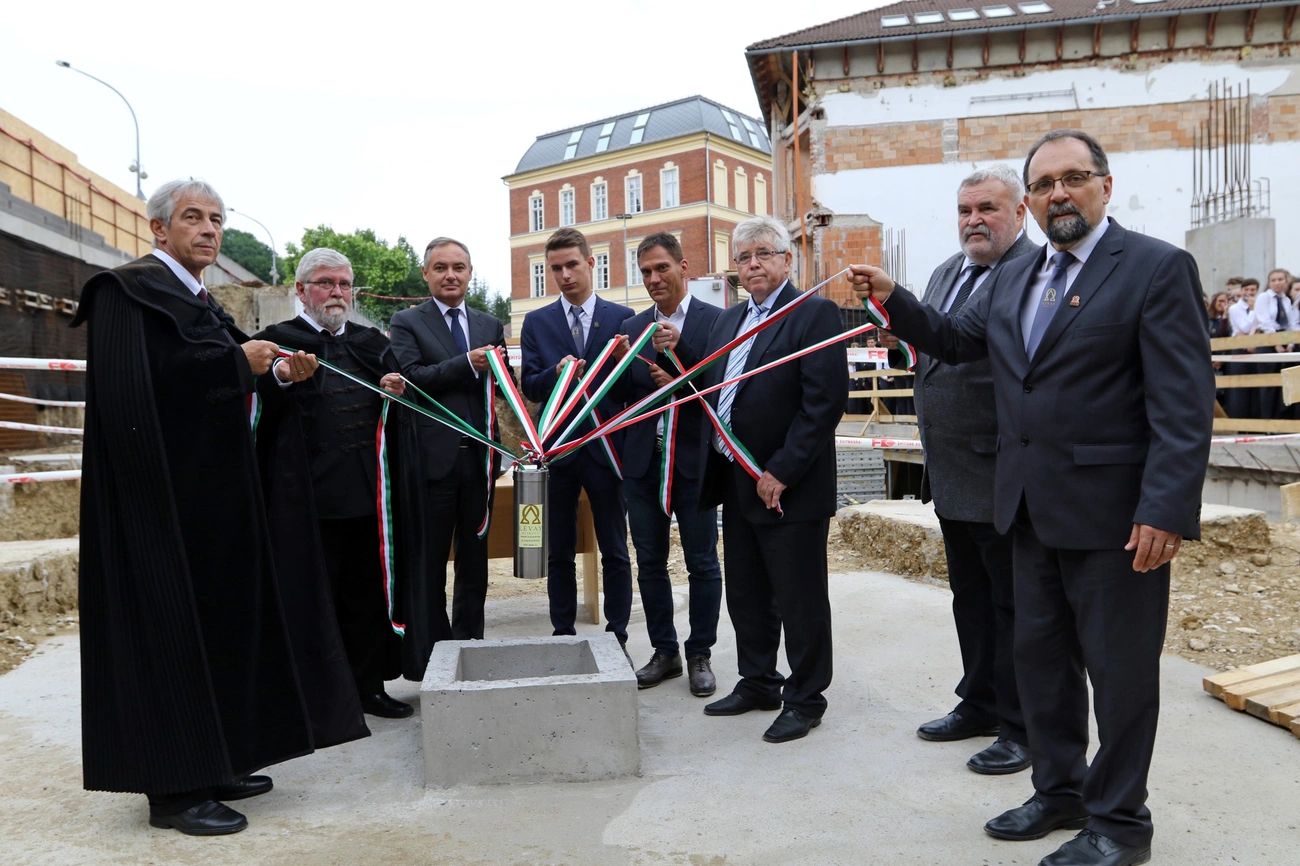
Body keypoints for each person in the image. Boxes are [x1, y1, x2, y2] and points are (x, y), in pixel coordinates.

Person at [850, 130, 1214, 866]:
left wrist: (1166, 508)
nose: (1058, 194)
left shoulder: (1152, 267)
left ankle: (1119, 825)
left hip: (1117, 520)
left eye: (1073, 179)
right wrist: (896, 300)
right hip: (1025, 511)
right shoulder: (1016, 279)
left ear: (1105, 186)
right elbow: (954, 341)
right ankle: (1059, 792)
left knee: (1119, 679)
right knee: (1041, 664)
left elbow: (1183, 404)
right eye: (1044, 183)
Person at [73, 179, 365, 836]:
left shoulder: (199, 302)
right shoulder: (125, 293)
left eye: (216, 219)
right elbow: (133, 398)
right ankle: (175, 791)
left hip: (216, 506)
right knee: (170, 638)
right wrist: (240, 365)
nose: (208, 229)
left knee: (221, 630)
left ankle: (220, 758)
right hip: (161, 509)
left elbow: (224, 381)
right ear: (158, 230)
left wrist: (280, 377)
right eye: (192, 218)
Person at [693, 216, 847, 744]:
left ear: (787, 259)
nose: (753, 264)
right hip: (736, 481)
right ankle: (758, 680)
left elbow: (823, 403)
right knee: (748, 591)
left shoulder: (813, 314)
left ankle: (806, 698)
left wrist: (781, 470)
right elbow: (716, 387)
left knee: (800, 596)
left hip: (790, 487)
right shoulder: (727, 320)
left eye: (763, 253)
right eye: (743, 257)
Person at [908, 164, 1037, 776]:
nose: (973, 221)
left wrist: (892, 301)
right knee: (971, 599)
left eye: (987, 208)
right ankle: (979, 702)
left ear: (1020, 213)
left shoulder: (1029, 272)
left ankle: (1021, 724)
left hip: (1000, 470)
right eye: (964, 210)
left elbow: (958, 340)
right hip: (952, 467)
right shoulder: (945, 269)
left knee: (1014, 605)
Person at [254, 247, 420, 720]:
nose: (337, 292)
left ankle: (368, 686)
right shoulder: (275, 343)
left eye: (344, 284)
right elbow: (251, 407)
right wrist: (282, 378)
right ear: (302, 290)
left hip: (369, 496)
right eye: (326, 283)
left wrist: (396, 394)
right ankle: (317, 696)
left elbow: (399, 417)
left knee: (366, 597)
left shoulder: (373, 343)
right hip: (308, 501)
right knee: (312, 598)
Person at [608, 232, 723, 696]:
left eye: (662, 268)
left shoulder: (717, 322)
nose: (654, 279)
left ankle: (700, 653)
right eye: (646, 272)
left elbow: (721, 389)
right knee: (650, 562)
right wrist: (618, 366)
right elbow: (622, 398)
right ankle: (665, 652)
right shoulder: (633, 328)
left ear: (683, 267)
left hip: (693, 463)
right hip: (643, 463)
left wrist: (678, 374)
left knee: (702, 562)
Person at [520, 228, 636, 648]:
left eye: (572, 265)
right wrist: (555, 374)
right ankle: (563, 633)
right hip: (560, 451)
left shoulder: (624, 318)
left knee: (615, 549)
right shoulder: (536, 322)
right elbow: (529, 387)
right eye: (555, 268)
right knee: (559, 551)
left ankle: (617, 633)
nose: (565, 275)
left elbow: (634, 386)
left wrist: (626, 362)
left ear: (591, 263)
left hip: (608, 451)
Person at [390, 238, 509, 644]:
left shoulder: (489, 324)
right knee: (431, 561)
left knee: (475, 563)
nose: (450, 275)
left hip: (479, 461)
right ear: (426, 274)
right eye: (440, 268)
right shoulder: (407, 322)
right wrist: (465, 364)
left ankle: (469, 643)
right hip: (432, 460)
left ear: (471, 273)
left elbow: (500, 386)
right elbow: (411, 377)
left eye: (458, 267)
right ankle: (433, 652)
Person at [1223, 278, 1259, 417]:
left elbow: (1259, 324)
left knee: (1255, 385)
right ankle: (1239, 419)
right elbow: (1245, 327)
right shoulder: (1234, 308)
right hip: (1239, 347)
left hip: (1254, 346)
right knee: (1239, 386)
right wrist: (1252, 310)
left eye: (1253, 290)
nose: (1249, 293)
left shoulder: (1258, 305)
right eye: (1247, 289)